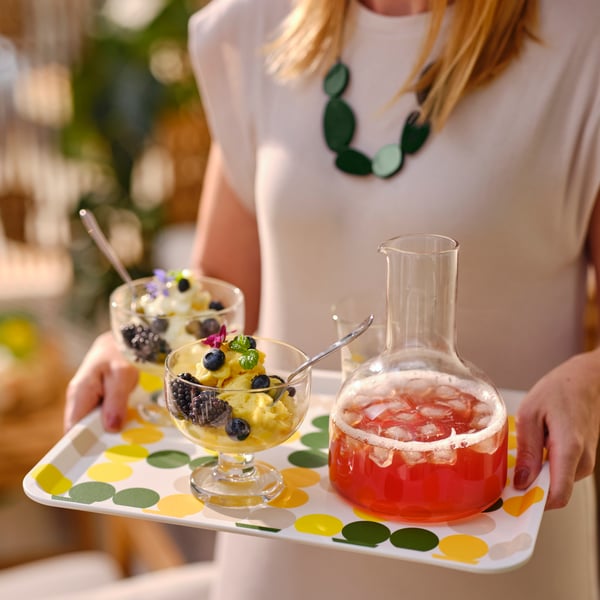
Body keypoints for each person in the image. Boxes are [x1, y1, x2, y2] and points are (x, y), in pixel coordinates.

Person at [65, 0, 600, 598]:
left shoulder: (583, 40)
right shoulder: (251, 29)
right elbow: (218, 298)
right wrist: (140, 353)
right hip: (282, 523)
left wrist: (591, 380)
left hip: (499, 539)